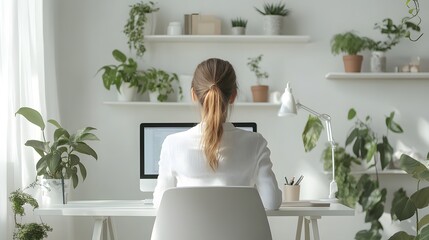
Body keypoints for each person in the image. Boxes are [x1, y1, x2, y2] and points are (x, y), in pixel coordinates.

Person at [153, 58, 282, 210]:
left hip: (189, 235)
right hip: (240, 234)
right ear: (233, 95)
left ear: (193, 95)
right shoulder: (255, 143)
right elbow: (271, 202)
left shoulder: (172, 144)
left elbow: (160, 202)